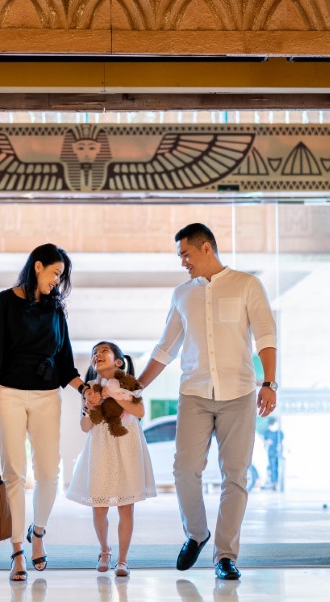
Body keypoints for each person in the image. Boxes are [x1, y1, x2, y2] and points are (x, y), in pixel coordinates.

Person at [138, 223, 278, 581]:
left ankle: (225, 556)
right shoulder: (182, 295)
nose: (183, 261)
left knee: (236, 476)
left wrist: (269, 383)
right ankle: (197, 534)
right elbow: (165, 348)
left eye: (185, 254)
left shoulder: (247, 285)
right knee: (185, 470)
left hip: (240, 393)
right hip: (194, 394)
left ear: (206, 249)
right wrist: (136, 386)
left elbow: (265, 335)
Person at [0, 243, 87, 582]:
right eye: (55, 273)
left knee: (49, 473)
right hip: (8, 394)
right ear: (37, 266)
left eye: (61, 276)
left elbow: (65, 363)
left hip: (46, 396)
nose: (57, 281)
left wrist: (86, 391)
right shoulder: (3, 304)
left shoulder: (55, 312)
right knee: (15, 473)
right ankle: (17, 552)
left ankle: (37, 533)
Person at [66, 341, 157, 577]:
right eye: (95, 353)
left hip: (127, 445)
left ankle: (123, 559)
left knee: (126, 507)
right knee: (99, 507)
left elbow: (139, 412)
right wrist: (89, 405)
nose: (98, 355)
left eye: (104, 351)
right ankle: (104, 550)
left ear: (119, 361)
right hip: (100, 447)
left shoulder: (130, 385)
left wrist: (113, 395)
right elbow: (85, 426)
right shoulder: (89, 388)